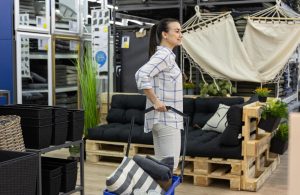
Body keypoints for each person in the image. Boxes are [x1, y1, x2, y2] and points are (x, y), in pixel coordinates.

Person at [135, 18, 183, 170]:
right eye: (177, 31)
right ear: (165, 34)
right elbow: (141, 74)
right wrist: (155, 101)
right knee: (170, 168)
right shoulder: (164, 56)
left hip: (163, 120)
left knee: (163, 167)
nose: (180, 34)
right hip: (167, 119)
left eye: (180, 31)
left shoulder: (166, 56)